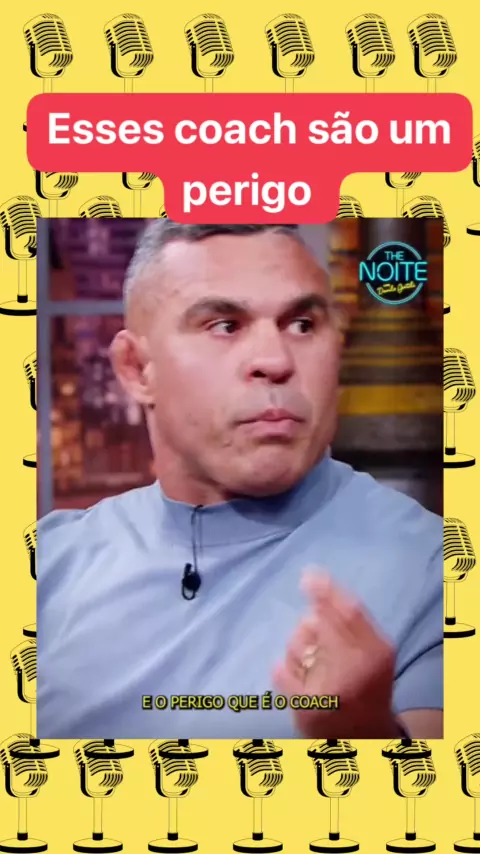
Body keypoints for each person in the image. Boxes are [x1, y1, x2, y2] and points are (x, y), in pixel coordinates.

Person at [37, 221, 443, 740]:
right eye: (225, 326)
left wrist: (363, 735)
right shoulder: (49, 563)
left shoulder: (437, 569)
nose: (275, 361)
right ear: (136, 369)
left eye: (302, 325)